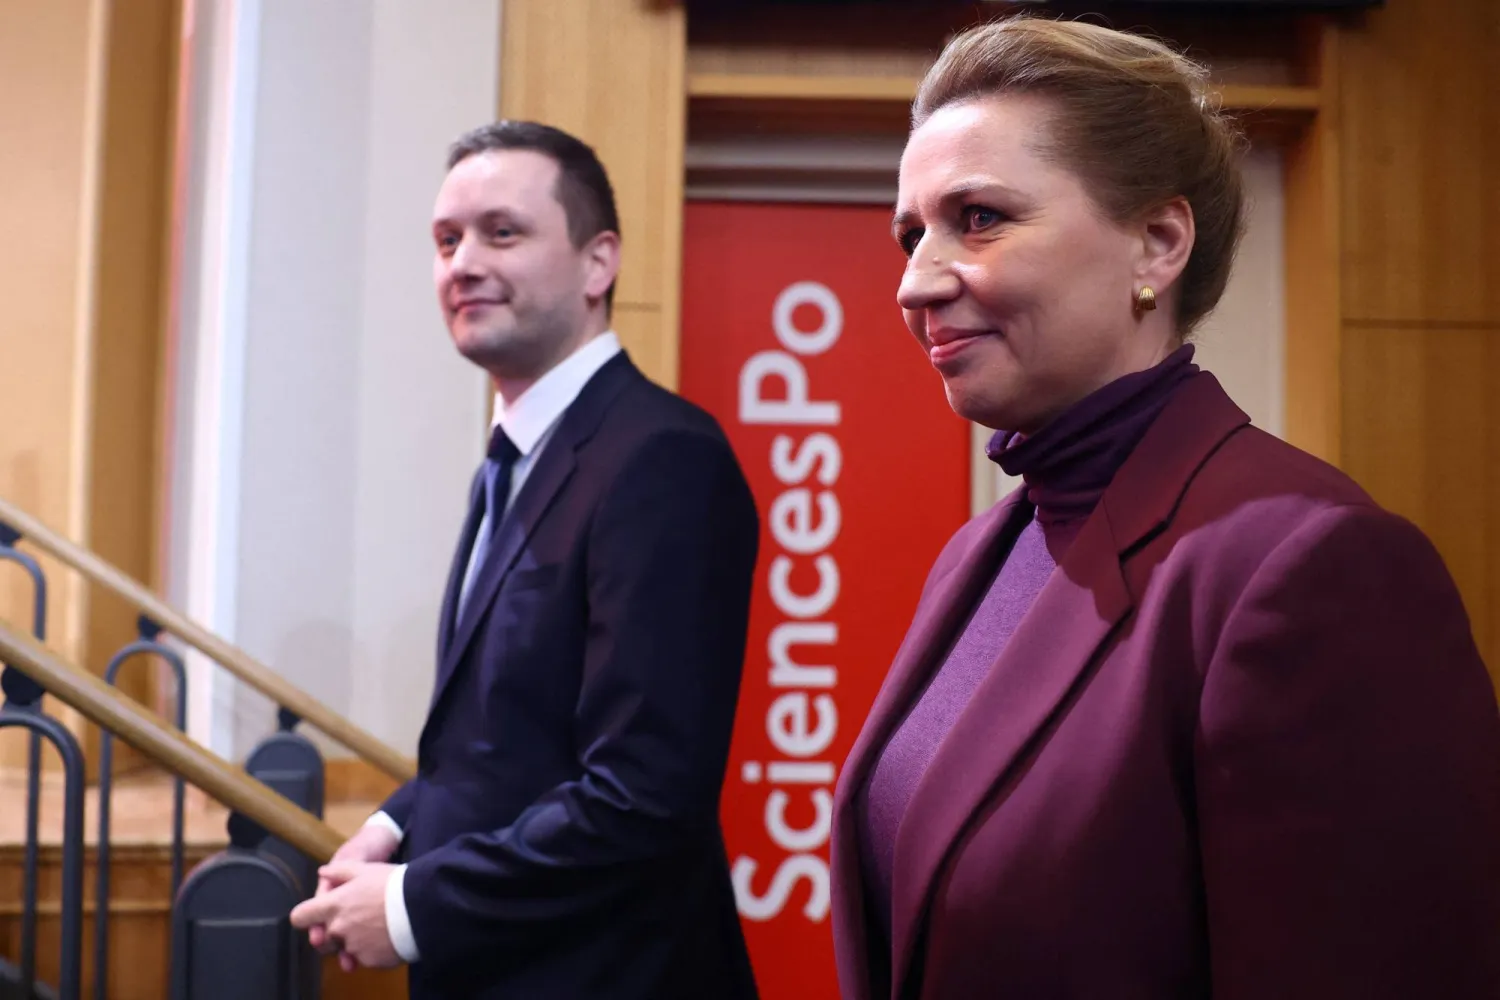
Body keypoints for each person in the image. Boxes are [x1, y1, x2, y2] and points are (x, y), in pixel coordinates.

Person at [829, 17, 1500, 1000]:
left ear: (1157, 243)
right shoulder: (981, 551)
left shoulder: (1312, 567)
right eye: (910, 233)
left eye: (979, 218)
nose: (915, 282)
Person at [289, 120, 762, 1000]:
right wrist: (395, 824)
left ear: (598, 262)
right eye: (446, 240)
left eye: (501, 232)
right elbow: (503, 735)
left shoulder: (662, 457)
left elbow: (642, 795)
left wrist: (412, 907)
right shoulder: (512, 458)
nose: (463, 263)